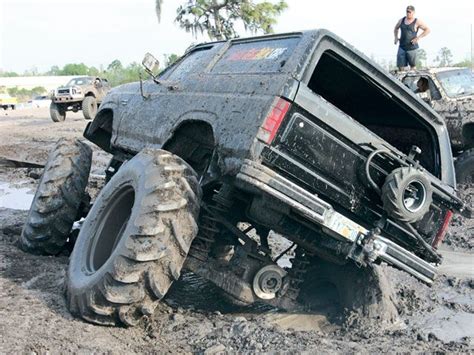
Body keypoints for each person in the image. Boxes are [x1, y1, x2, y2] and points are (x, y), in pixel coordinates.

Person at [394, 5, 430, 71]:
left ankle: (413, 80)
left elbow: (427, 30)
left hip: (412, 48)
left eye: (409, 12)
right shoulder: (401, 20)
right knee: (400, 66)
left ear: (413, 12)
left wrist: (418, 38)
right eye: (407, 11)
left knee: (413, 67)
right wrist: (396, 37)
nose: (408, 13)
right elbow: (396, 28)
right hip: (402, 47)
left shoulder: (417, 21)